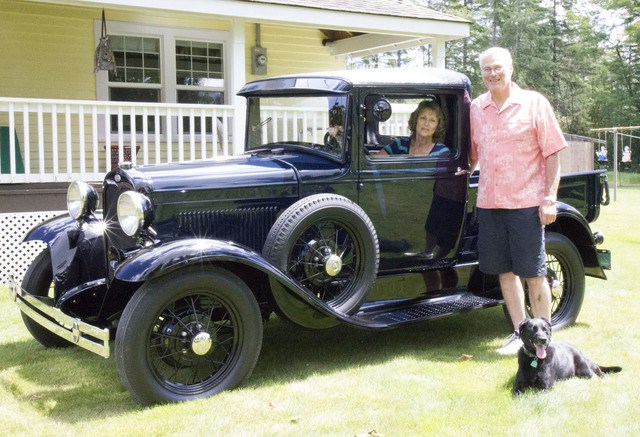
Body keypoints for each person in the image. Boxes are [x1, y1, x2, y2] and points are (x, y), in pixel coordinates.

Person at [469, 47, 568, 355]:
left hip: (527, 203)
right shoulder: (476, 108)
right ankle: (518, 331)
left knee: (534, 273)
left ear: (511, 68)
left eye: (497, 68)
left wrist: (549, 198)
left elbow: (552, 153)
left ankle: (544, 338)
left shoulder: (534, 103)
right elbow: (472, 156)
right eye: (487, 69)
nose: (492, 74)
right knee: (505, 272)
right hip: (489, 203)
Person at [376, 100, 450, 157]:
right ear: (415, 120)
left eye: (432, 121)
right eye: (423, 118)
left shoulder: (442, 152)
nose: (426, 124)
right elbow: (374, 162)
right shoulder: (400, 144)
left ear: (437, 125)